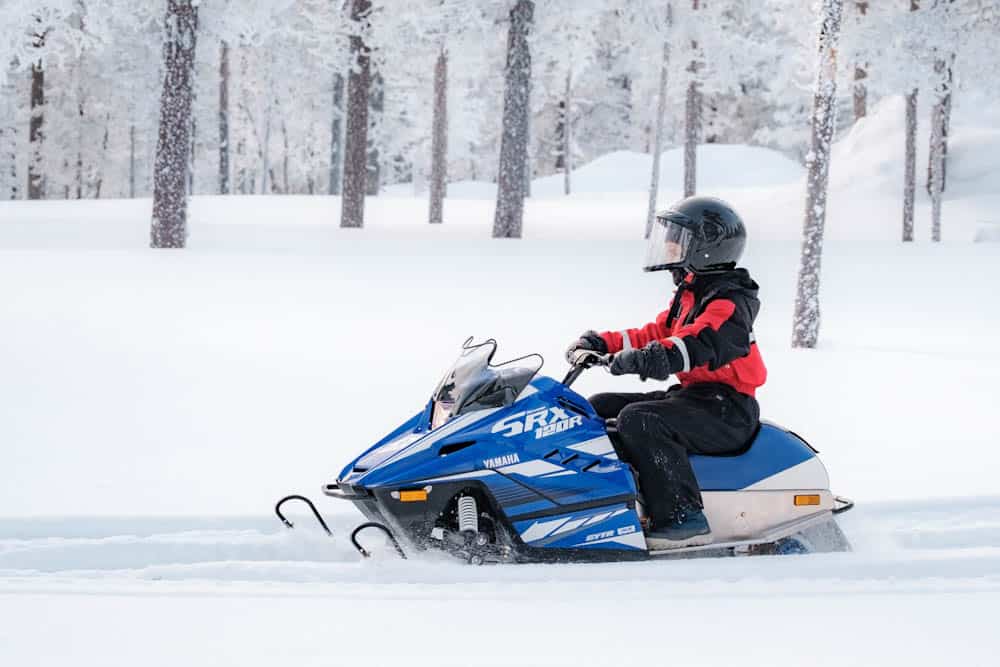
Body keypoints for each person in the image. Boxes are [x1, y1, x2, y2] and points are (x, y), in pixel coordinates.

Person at [566, 196, 767, 549]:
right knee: (598, 405)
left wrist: (645, 359)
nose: (670, 246)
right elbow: (657, 333)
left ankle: (682, 517)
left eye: (679, 238)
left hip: (727, 411)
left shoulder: (729, 304)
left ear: (706, 247)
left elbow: (692, 346)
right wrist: (604, 342)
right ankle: (603, 503)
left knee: (639, 419)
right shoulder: (692, 293)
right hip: (697, 398)